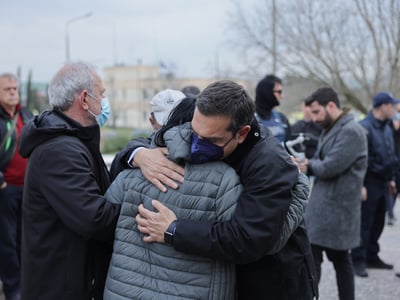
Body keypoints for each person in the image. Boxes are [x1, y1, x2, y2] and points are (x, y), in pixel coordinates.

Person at [104, 97, 309, 299]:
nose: (199, 144)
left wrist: (138, 153)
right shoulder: (224, 180)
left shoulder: (138, 167)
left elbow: (104, 223)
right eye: (196, 134)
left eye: (211, 138)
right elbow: (266, 241)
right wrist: (300, 185)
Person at [18, 62, 121, 300]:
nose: (105, 102)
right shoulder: (60, 151)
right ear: (85, 99)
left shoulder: (74, 141)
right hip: (59, 286)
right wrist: (142, 213)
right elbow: (94, 218)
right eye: (102, 94)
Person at [297, 87, 367, 300]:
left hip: (337, 209)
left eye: (317, 112)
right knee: (320, 259)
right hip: (326, 208)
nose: (314, 118)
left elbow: (330, 166)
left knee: (337, 260)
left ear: (331, 105)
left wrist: (306, 165)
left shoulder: (351, 131)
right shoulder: (334, 127)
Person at [351, 92, 400, 277]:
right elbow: (360, 160)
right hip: (368, 181)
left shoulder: (387, 127)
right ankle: (357, 260)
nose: (394, 108)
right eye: (391, 105)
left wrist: (392, 179)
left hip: (384, 182)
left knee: (379, 222)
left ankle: (372, 256)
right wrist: (361, 185)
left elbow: (391, 154)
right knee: (364, 222)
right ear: (382, 106)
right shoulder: (364, 127)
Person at [0, 73, 33, 300]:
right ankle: (13, 289)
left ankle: (28, 285)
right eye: (7, 89)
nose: (13, 92)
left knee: (26, 239)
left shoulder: (26, 115)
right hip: (5, 190)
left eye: (15, 88)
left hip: (29, 190)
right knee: (7, 241)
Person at [109, 89, 185, 181]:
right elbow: (123, 156)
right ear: (152, 122)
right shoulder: (142, 148)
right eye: (167, 124)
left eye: (178, 121)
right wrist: (138, 154)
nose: (173, 128)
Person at [255, 74, 291, 143]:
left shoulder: (282, 119)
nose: (282, 96)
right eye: (279, 92)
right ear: (267, 92)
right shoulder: (248, 119)